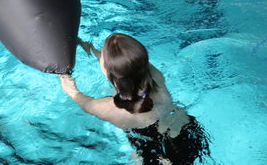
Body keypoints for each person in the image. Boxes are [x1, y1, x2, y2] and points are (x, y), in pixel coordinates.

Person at [60, 33, 210, 165]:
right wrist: (90, 47)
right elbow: (127, 65)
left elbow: (72, 92)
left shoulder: (105, 108)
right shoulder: (155, 78)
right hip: (186, 131)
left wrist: (63, 73)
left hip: (151, 151)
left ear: (107, 73)